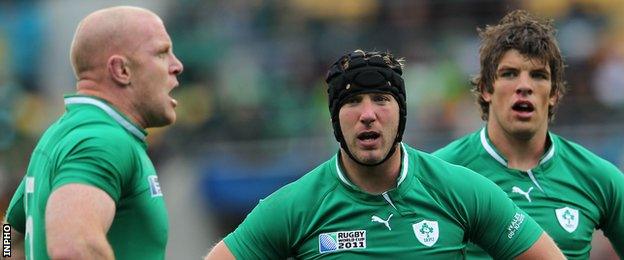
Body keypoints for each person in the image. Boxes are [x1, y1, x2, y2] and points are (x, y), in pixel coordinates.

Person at [204, 50, 564, 259]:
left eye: (381, 99)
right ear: (335, 119)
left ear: (401, 113)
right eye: (351, 102)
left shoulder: (461, 190)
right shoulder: (294, 207)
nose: (367, 114)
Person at [433, 10, 624, 259]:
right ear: (485, 89)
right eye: (509, 73)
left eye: (538, 75)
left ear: (554, 93)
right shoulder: (440, 173)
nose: (524, 86)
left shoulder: (598, 177)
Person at [2, 6, 183, 259]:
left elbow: (9, 232)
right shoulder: (103, 141)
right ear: (121, 70)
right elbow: (74, 248)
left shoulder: (57, 136)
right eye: (162, 53)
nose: (177, 66)